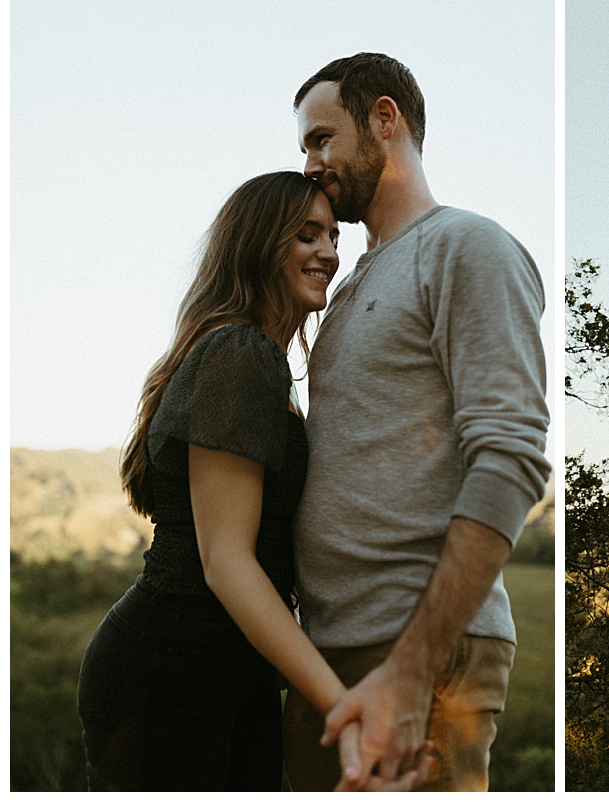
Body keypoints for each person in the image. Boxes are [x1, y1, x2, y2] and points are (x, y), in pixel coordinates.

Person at [78, 172, 425, 791]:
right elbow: (227, 563)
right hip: (172, 672)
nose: (328, 252)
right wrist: (341, 704)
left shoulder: (250, 358)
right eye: (306, 235)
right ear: (259, 245)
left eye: (332, 236)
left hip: (230, 670)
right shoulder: (239, 354)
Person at [281, 52, 552, 792]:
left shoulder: (468, 246)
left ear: (385, 119)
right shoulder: (353, 283)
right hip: (333, 656)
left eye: (320, 137)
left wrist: (412, 667)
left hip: (421, 657)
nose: (309, 163)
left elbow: (511, 459)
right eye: (305, 145)